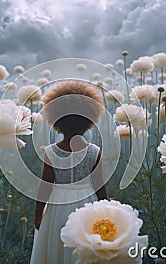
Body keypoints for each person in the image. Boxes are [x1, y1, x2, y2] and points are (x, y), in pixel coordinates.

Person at [30, 80, 108, 264]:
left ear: (56, 120)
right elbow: (100, 187)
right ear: (89, 121)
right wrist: (107, 209)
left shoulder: (51, 152)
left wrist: (38, 213)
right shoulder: (94, 151)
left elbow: (45, 187)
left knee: (56, 248)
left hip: (57, 209)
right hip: (88, 206)